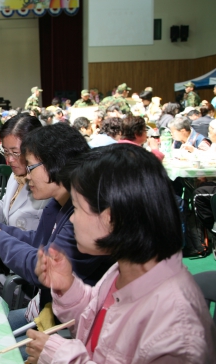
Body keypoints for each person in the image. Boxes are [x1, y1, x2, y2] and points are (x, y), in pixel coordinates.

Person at [25, 144, 216, 364]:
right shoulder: (127, 267)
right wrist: (67, 287)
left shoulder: (176, 329)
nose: (71, 219)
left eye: (76, 208)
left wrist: (61, 358)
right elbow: (99, 322)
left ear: (110, 218)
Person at [0, 124, 113, 359]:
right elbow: (37, 242)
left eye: (31, 166)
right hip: (49, 306)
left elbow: (44, 267)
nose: (26, 175)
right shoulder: (57, 203)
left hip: (67, 321)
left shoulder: (82, 213)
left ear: (56, 163)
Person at [0, 114, 48, 228]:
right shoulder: (15, 175)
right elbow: (7, 215)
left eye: (15, 152)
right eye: (5, 151)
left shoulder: (47, 185)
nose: (10, 159)